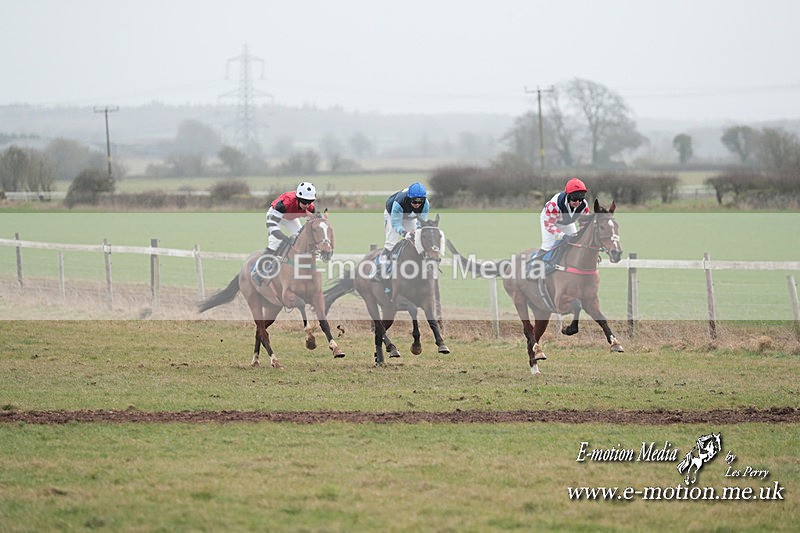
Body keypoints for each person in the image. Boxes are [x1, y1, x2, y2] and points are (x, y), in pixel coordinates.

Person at [252, 181, 316, 285]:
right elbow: (271, 225)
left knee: (300, 239)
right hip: (275, 216)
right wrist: (284, 238)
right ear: (298, 199)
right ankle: (257, 272)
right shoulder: (284, 204)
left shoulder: (311, 207)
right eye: (304, 202)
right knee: (274, 244)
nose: (307, 205)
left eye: (310, 202)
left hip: (291, 218)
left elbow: (312, 225)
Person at [378, 182, 430, 265]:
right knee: (391, 243)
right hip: (392, 215)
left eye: (420, 202)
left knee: (415, 241)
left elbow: (422, 222)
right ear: (409, 198)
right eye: (414, 201)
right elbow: (396, 224)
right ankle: (379, 267)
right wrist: (405, 233)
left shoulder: (426, 204)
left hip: (409, 217)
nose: (417, 204)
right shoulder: (399, 202)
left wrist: (417, 231)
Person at [538, 177, 590, 255]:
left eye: (581, 198)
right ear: (568, 196)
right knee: (548, 246)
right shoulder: (554, 205)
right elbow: (549, 225)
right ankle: (535, 266)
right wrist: (563, 235)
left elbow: (584, 224)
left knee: (576, 243)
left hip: (567, 222)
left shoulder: (584, 206)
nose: (578, 202)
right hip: (549, 222)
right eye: (575, 198)